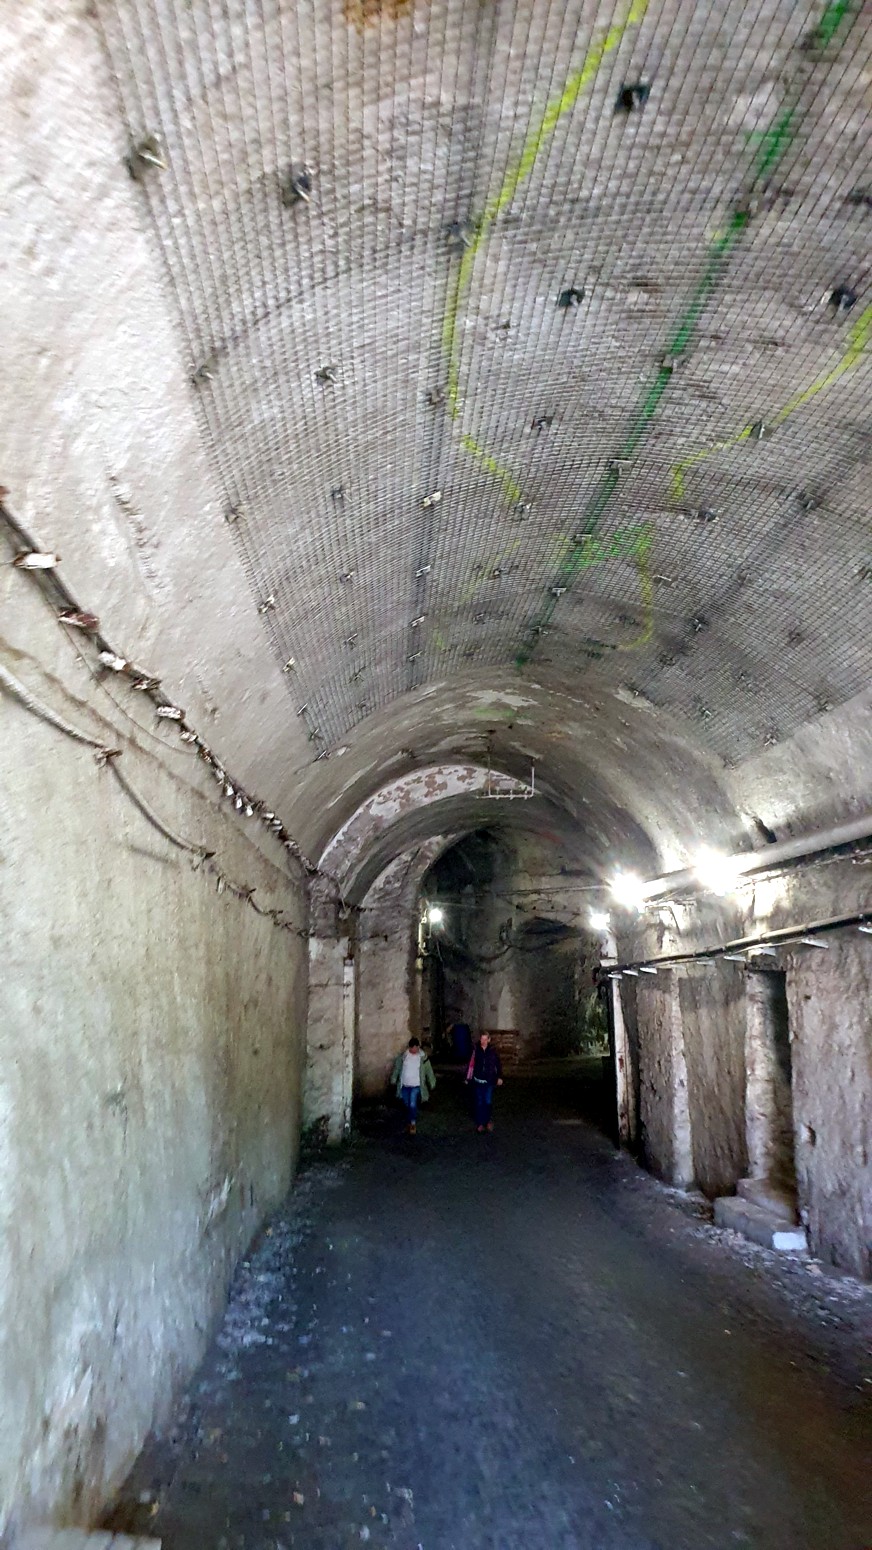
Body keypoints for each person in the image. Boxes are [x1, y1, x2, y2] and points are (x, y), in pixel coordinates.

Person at [390, 1037, 436, 1134]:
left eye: (416, 1048)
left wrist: (432, 1082)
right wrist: (393, 1079)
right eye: (412, 1048)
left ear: (418, 1047)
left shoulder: (423, 1058)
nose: (414, 1050)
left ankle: (413, 1124)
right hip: (405, 1085)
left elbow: (429, 1070)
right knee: (407, 1104)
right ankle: (409, 1122)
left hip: (416, 1085)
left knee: (412, 1104)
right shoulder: (403, 1057)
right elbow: (397, 1069)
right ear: (409, 1047)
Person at [466, 1031, 504, 1132]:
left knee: (487, 1101)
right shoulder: (476, 1050)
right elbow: (471, 1064)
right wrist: (468, 1077)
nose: (483, 1041)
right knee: (479, 1102)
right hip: (478, 1080)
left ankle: (487, 1121)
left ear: (489, 1040)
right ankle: (480, 1123)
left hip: (489, 1080)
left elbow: (498, 1065)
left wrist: (499, 1077)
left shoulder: (492, 1051)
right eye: (482, 1039)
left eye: (485, 1039)